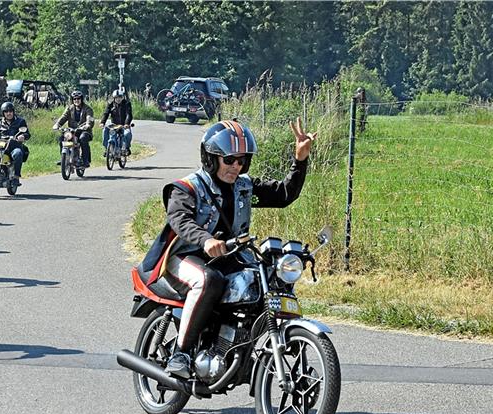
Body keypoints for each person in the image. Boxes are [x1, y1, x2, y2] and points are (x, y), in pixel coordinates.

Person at [137, 118, 317, 378]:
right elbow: (180, 220)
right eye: (230, 159)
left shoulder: (244, 186)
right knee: (209, 280)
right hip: (185, 257)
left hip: (229, 256)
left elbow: (284, 194)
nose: (236, 166)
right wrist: (205, 240)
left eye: (242, 160)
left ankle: (238, 349)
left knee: (266, 279)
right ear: (211, 158)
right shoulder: (187, 188)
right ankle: (181, 353)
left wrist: (300, 161)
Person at [0, 101, 31, 186]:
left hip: (14, 146)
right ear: (3, 113)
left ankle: (16, 177)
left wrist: (23, 137)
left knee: (18, 153)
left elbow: (27, 134)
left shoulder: (20, 121)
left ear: (13, 112)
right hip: (1, 146)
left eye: (10, 111)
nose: (8, 113)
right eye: (6, 112)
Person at [53, 90, 95, 168]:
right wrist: (57, 124)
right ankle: (64, 158)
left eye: (78, 98)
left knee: (83, 138)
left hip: (84, 131)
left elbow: (90, 118)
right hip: (72, 131)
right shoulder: (70, 108)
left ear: (81, 99)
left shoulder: (88, 109)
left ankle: (85, 160)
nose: (76, 100)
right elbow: (64, 117)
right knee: (62, 137)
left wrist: (88, 125)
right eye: (74, 99)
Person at [99, 89, 133, 156]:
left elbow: (129, 115)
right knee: (105, 131)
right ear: (114, 98)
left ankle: (126, 148)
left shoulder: (127, 104)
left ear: (122, 97)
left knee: (127, 134)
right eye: (116, 97)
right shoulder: (110, 104)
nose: (118, 99)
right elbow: (106, 113)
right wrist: (102, 122)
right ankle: (107, 149)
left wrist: (126, 123)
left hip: (123, 125)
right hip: (114, 125)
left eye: (120, 97)